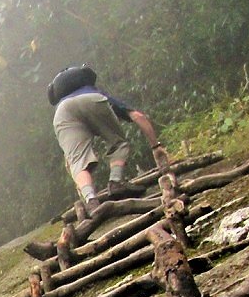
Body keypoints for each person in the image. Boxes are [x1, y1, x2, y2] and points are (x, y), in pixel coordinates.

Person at [48, 65, 164, 215]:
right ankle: (115, 182)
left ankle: (91, 201)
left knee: (78, 161)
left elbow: (69, 160)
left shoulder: (60, 106)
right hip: (92, 101)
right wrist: (156, 147)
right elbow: (138, 117)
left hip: (62, 113)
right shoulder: (92, 92)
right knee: (118, 143)